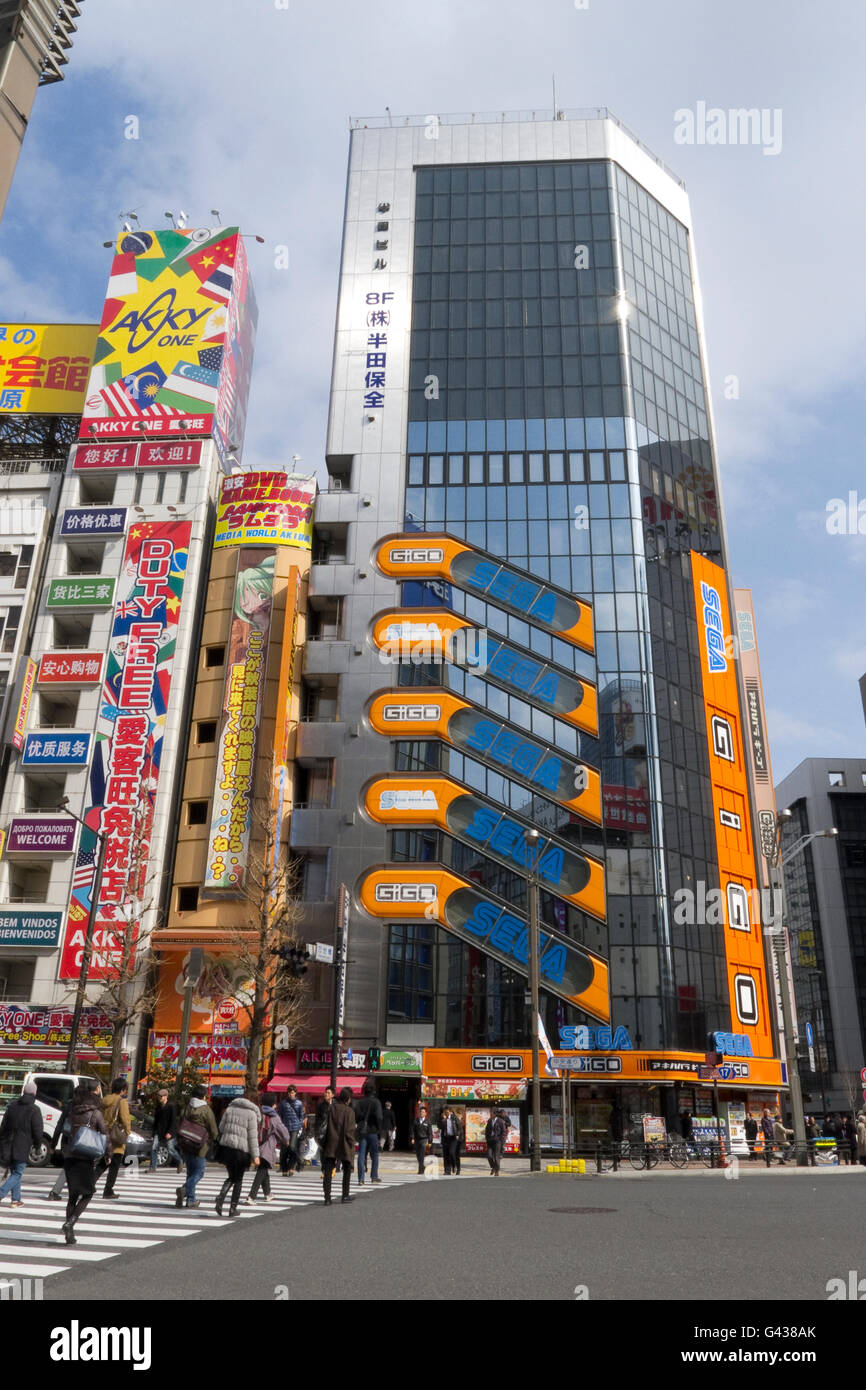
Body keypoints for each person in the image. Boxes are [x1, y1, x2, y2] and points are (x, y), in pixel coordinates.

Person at [59, 1079, 108, 1245]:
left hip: (70, 1156)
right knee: (88, 1193)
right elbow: (104, 1135)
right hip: (85, 1157)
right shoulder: (96, 1113)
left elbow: (64, 1129)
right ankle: (70, 1222)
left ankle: (69, 1234)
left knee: (72, 1196)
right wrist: (107, 1154)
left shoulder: (73, 1112)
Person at [215, 1089, 260, 1217]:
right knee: (238, 1179)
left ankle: (221, 1196)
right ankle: (232, 1209)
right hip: (241, 1151)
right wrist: (256, 1155)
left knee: (232, 1176)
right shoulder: (251, 1114)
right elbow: (252, 1137)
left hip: (227, 1149)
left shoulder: (230, 1109)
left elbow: (221, 1128)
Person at [0, 1080, 43, 1207]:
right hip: (22, 1146)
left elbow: (3, 1127)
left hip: (8, 1144)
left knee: (15, 1172)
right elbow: (38, 1130)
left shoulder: (12, 1106)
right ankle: (1, 1193)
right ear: (35, 1093)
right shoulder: (34, 1109)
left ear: (23, 1092)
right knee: (18, 1173)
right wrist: (37, 1145)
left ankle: (16, 1199)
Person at [176, 1084, 218, 1210]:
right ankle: (184, 1189)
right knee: (199, 1172)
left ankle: (191, 1200)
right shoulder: (206, 1110)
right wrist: (215, 1139)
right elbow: (213, 1129)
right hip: (200, 1145)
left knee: (190, 1173)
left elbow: (180, 1121)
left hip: (186, 1143)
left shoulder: (187, 1107)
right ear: (203, 1096)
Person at [245, 1095, 289, 1203]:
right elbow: (283, 1131)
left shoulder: (257, 1113)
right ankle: (252, 1196)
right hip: (267, 1147)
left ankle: (267, 1193)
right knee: (262, 1170)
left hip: (255, 1145)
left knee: (264, 1169)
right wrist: (286, 1140)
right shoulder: (274, 1116)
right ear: (273, 1104)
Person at [321, 1085, 356, 1205]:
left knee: (328, 1170)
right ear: (348, 1099)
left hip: (331, 1142)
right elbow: (349, 1131)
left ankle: (327, 1198)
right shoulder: (349, 1111)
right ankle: (345, 1195)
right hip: (344, 1144)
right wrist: (352, 1143)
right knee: (346, 1169)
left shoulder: (332, 1108)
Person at [100, 1078, 132, 1199]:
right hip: (116, 1137)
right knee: (114, 1165)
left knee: (103, 1163)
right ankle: (108, 1190)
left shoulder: (104, 1100)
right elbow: (125, 1119)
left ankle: (90, 1184)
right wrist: (127, 1133)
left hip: (105, 1133)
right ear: (123, 1090)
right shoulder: (121, 1101)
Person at [354, 1080, 383, 1186]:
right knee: (375, 1154)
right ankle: (374, 1176)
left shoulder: (360, 1102)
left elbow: (356, 1117)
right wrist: (378, 1128)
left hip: (362, 1131)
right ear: (373, 1091)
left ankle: (361, 1179)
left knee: (361, 1154)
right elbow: (379, 1117)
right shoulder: (376, 1102)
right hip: (373, 1131)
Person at [150, 1088, 182, 1172]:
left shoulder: (171, 1106)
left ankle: (179, 1161)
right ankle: (152, 1167)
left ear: (166, 1096)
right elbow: (156, 1120)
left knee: (170, 1149)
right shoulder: (158, 1107)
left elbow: (173, 1121)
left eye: (161, 1096)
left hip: (168, 1131)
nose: (159, 1098)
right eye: (158, 1096)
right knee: (154, 1148)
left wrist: (170, 1132)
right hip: (158, 1131)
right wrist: (153, 1132)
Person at [277, 1086, 304, 1176]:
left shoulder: (299, 1103)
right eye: (289, 1093)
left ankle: (291, 1166)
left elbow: (301, 1116)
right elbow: (279, 1115)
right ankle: (284, 1168)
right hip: (285, 1128)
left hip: (295, 1128)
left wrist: (299, 1126)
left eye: (292, 1092)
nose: (291, 1094)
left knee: (292, 1147)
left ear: (295, 1093)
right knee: (284, 1149)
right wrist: (280, 1126)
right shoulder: (283, 1103)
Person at [440, 1106, 463, 1176]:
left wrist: (457, 1135)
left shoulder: (454, 1118)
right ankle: (447, 1170)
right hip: (446, 1138)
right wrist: (442, 1120)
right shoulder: (443, 1119)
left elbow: (460, 1128)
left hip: (454, 1138)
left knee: (452, 1153)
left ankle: (455, 1166)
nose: (446, 1113)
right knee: (446, 1155)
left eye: (447, 1112)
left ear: (450, 1111)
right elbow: (439, 1126)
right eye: (445, 1112)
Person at [485, 1109, 509, 1176]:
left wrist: (500, 1139)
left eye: (491, 1113)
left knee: (496, 1157)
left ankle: (497, 1170)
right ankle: (493, 1167)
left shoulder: (500, 1121)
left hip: (497, 1141)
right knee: (489, 1156)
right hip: (490, 1141)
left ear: (495, 1114)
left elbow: (504, 1132)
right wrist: (487, 1138)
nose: (490, 1114)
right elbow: (487, 1130)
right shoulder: (489, 1121)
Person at [412, 1106, 432, 1176]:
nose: (421, 1113)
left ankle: (420, 1170)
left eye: (423, 1112)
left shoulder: (428, 1122)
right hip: (417, 1139)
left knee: (422, 1155)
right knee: (418, 1155)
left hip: (424, 1139)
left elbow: (430, 1133)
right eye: (420, 1112)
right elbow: (413, 1130)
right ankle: (422, 1167)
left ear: (426, 1113)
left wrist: (430, 1141)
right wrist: (413, 1138)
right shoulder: (416, 1120)